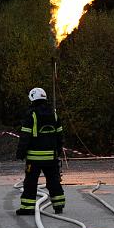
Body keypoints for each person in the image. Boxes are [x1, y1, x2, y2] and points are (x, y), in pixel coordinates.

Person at [15, 87, 66, 215]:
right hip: (50, 157)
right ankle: (58, 206)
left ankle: (27, 208)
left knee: (30, 183)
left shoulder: (31, 114)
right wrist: (58, 150)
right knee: (54, 181)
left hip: (34, 158)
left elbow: (25, 136)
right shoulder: (53, 114)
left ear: (32, 99)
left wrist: (20, 152)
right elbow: (60, 135)